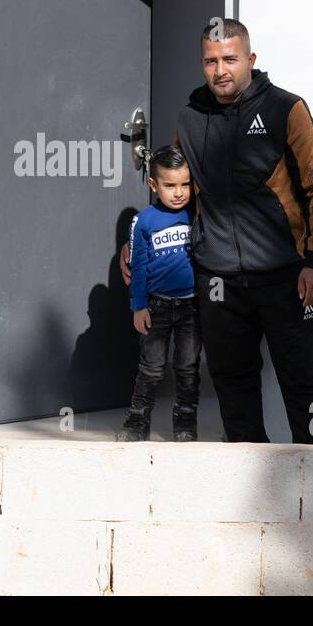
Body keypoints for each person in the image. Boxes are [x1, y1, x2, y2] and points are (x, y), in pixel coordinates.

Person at [123, 18, 313, 444]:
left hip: (284, 277)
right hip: (217, 280)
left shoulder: (285, 108)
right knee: (232, 388)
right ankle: (250, 498)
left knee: (303, 386)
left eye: (230, 59)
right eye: (210, 61)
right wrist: (137, 241)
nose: (220, 69)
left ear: (250, 60)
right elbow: (176, 193)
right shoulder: (189, 117)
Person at [118, 146, 202, 442]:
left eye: (184, 184)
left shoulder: (197, 213)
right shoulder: (144, 221)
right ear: (153, 185)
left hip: (192, 307)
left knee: (187, 367)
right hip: (156, 307)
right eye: (169, 185)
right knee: (151, 368)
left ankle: (185, 423)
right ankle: (137, 421)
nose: (178, 192)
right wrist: (138, 306)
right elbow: (138, 266)